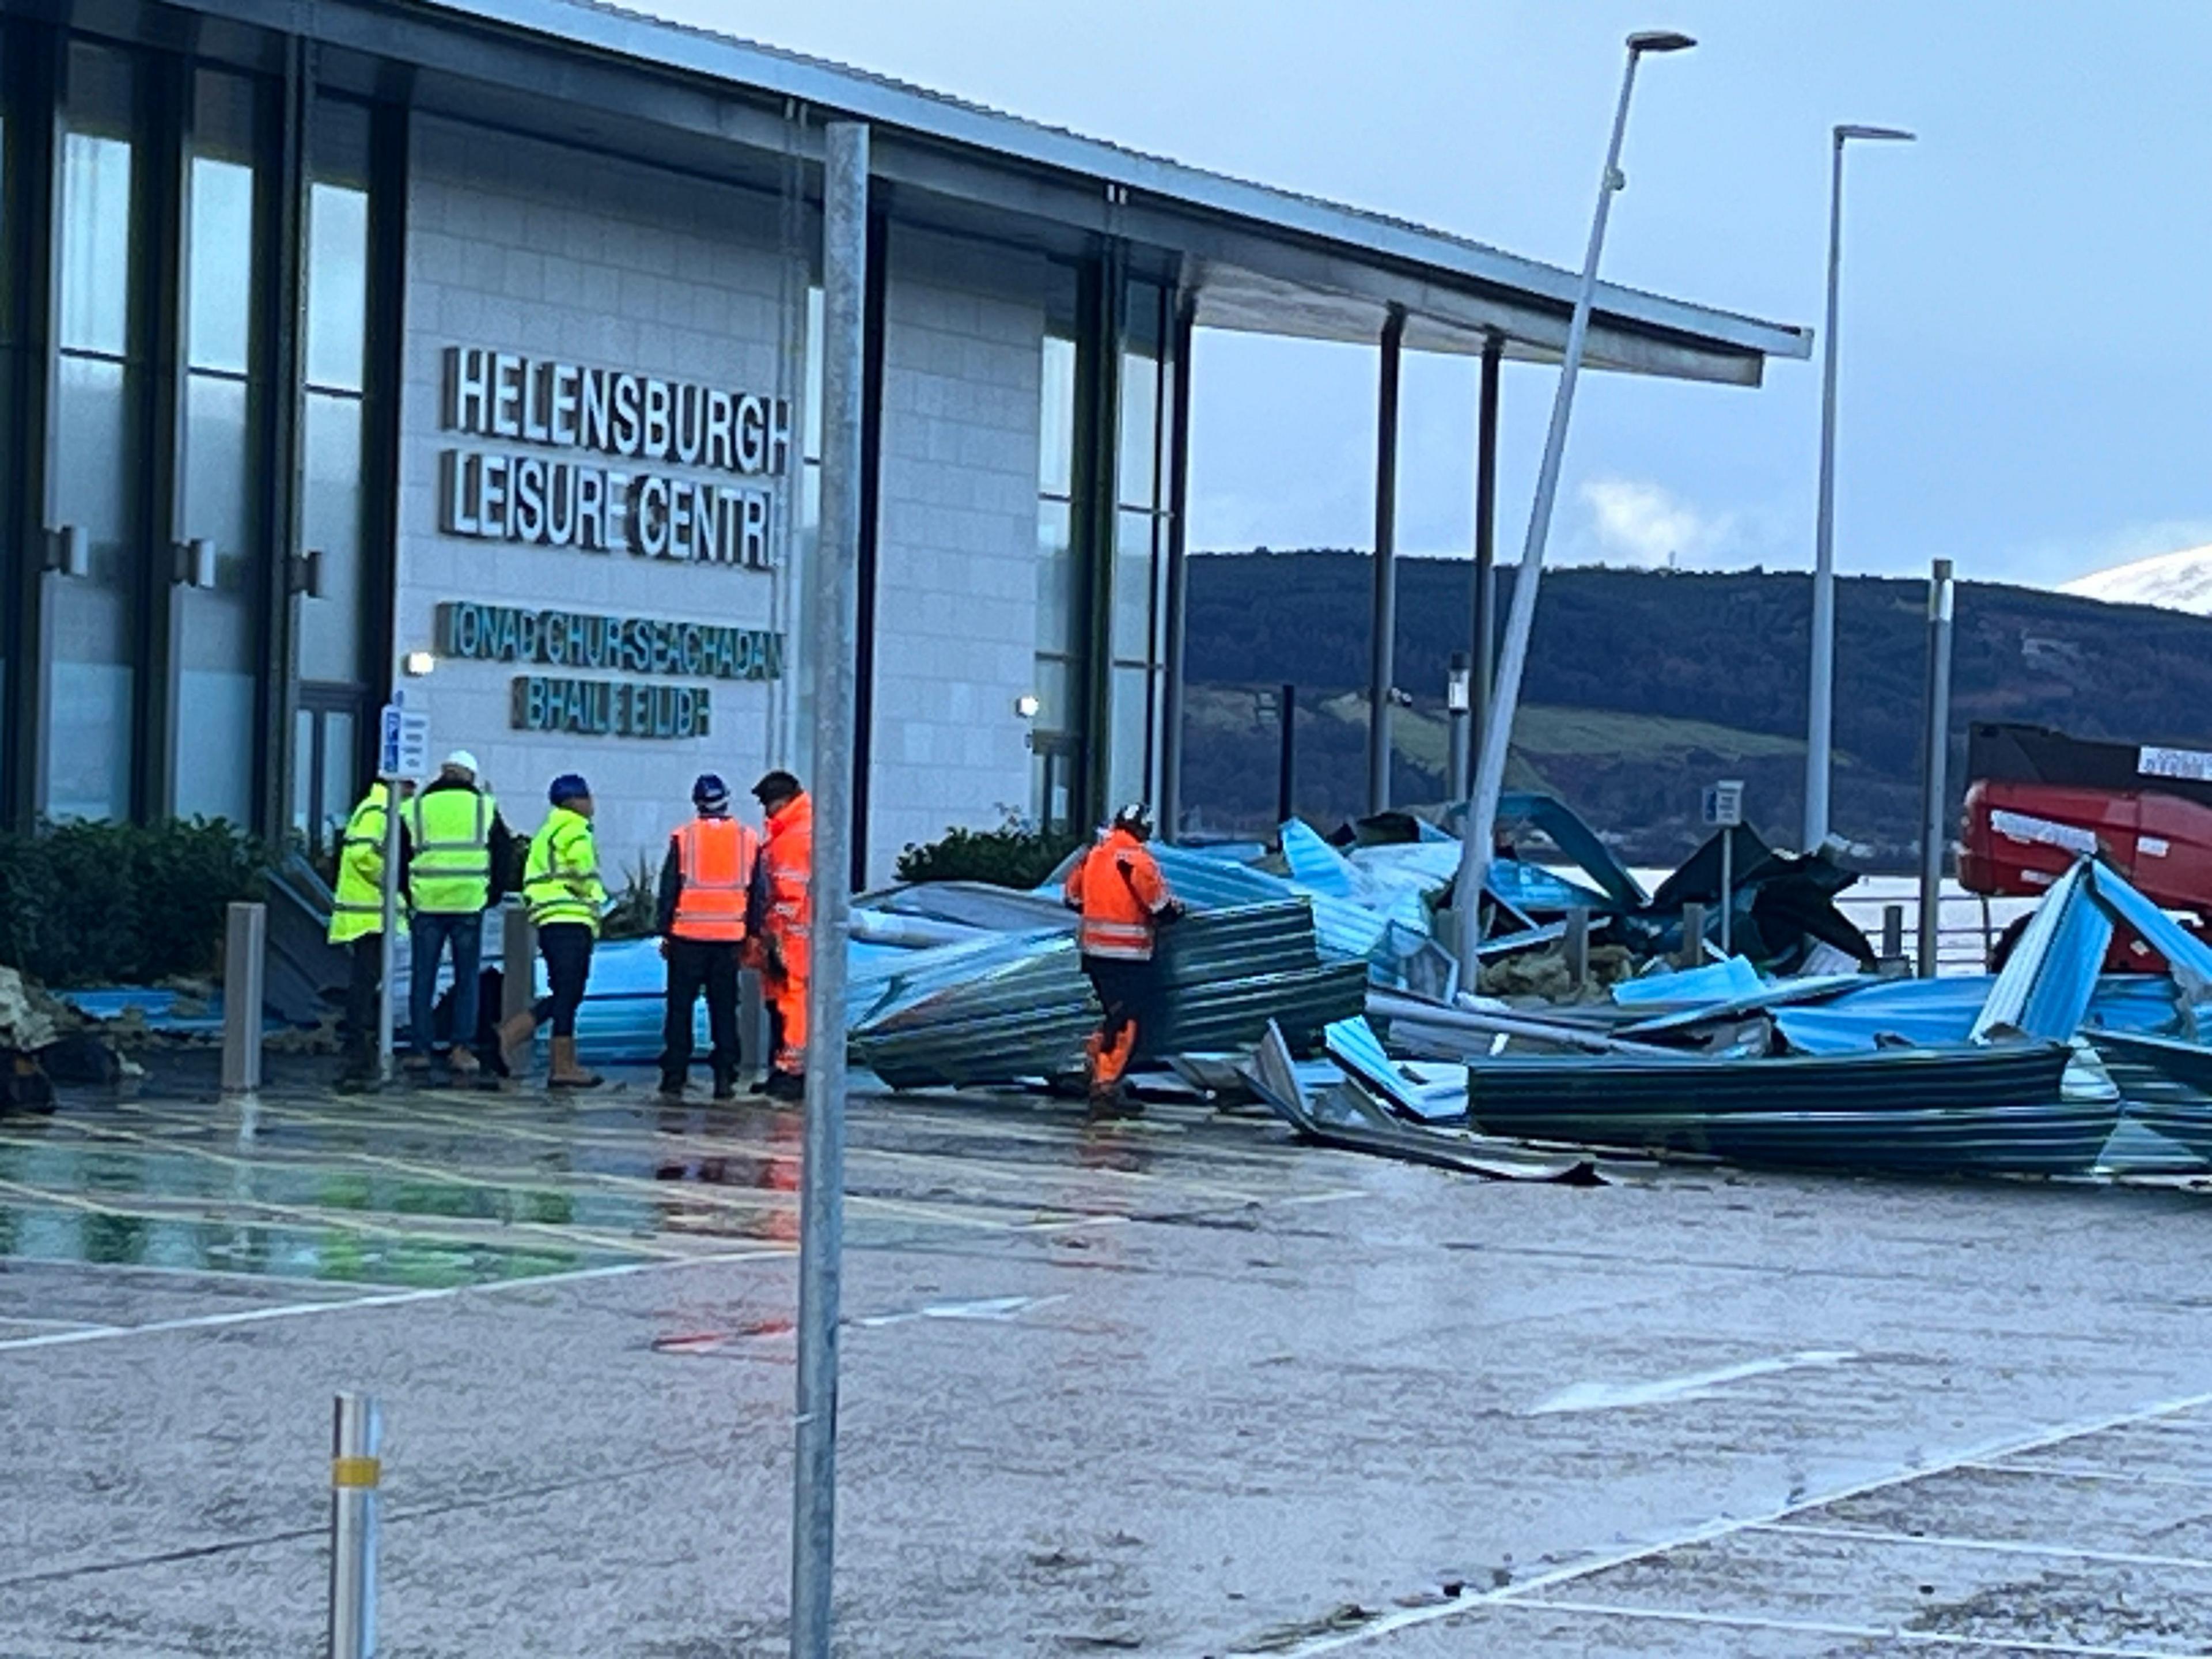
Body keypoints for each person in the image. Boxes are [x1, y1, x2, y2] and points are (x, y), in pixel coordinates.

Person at [1062, 803, 1183, 1119]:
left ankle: (1095, 1069)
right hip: (1128, 956)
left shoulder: (1093, 857)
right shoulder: (1138, 862)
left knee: (1111, 1017)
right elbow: (1161, 910)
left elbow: (1072, 898)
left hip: (1094, 955)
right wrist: (1178, 910)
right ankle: (1103, 1087)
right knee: (1125, 1024)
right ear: (1144, 829)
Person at [654, 773, 767, 1101]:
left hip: (687, 936)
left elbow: (668, 889)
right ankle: (724, 1076)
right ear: (726, 799)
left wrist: (664, 931)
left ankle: (675, 1075)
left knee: (679, 1009)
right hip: (729, 937)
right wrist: (753, 933)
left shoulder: (684, 837)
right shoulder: (747, 839)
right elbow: (758, 892)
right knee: (724, 1008)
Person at [400, 750, 512, 1077]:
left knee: (423, 978)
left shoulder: (416, 808)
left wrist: (410, 894)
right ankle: (461, 1049)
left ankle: (420, 1048)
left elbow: (400, 856)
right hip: (468, 903)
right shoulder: (484, 807)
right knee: (466, 980)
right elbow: (503, 854)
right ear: (471, 777)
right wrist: (491, 896)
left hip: (427, 903)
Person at [501, 773, 607, 1089]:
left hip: (549, 917)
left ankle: (513, 1036)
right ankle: (561, 1064)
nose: (592, 804)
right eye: (588, 797)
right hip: (569, 917)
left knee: (564, 991)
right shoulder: (575, 828)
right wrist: (595, 895)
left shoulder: (548, 829)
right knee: (569, 991)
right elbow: (582, 870)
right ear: (576, 800)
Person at [327, 777, 412, 1092]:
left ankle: (362, 1035)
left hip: (369, 911)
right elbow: (364, 855)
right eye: (410, 787)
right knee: (366, 978)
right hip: (369, 912)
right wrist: (390, 882)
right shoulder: (378, 810)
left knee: (368, 977)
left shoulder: (375, 808)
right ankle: (358, 1039)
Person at [751, 770, 812, 1103]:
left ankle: (793, 1072)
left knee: (792, 1005)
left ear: (783, 801)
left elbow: (789, 894)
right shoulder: (792, 830)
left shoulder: (794, 837)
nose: (765, 811)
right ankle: (783, 1068)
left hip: (793, 938)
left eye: (767, 803)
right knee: (782, 1005)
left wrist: (774, 934)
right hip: (794, 936)